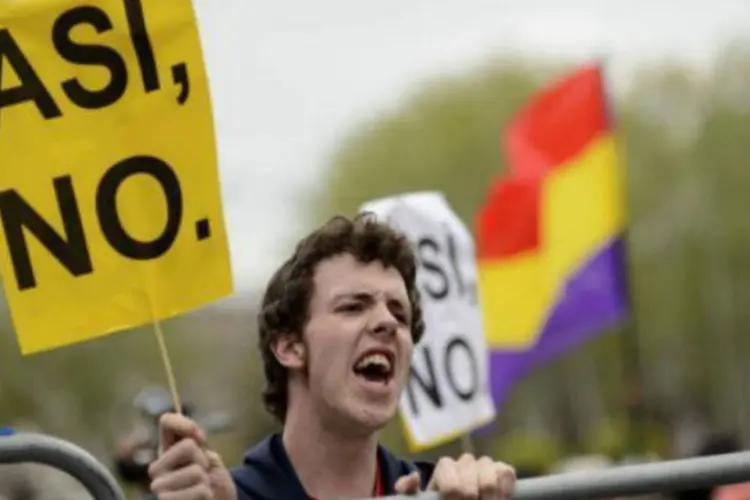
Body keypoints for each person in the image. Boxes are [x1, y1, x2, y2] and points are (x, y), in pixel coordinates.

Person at [147, 214, 517, 499]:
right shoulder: (219, 498)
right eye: (354, 307)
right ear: (290, 347)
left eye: (399, 314)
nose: (387, 322)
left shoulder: (434, 492)